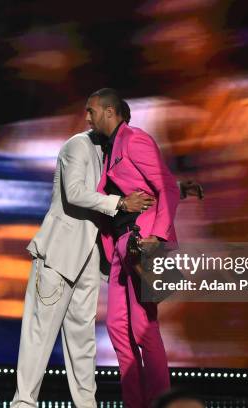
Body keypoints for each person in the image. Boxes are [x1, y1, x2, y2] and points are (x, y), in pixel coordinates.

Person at [11, 125, 155, 406]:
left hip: (91, 257)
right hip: (60, 254)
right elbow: (75, 192)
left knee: (83, 339)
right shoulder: (77, 146)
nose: (89, 117)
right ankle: (24, 404)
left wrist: (175, 188)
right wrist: (122, 203)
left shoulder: (115, 153)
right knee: (39, 336)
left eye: (93, 111)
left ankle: (86, 404)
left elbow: (142, 184)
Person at [89, 88, 180, 407]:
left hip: (142, 240)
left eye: (91, 111)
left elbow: (165, 184)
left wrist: (159, 234)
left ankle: (159, 402)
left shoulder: (135, 139)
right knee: (116, 327)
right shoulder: (108, 149)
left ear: (110, 112)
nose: (88, 118)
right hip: (120, 247)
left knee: (143, 328)